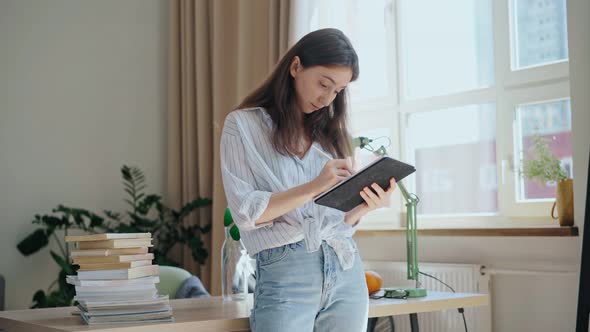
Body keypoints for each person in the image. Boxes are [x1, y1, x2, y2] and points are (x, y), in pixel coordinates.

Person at [220, 28, 397, 332]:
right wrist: (315, 185)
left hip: (345, 271)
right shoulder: (242, 126)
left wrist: (363, 207)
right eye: (323, 84)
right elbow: (247, 213)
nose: (327, 98)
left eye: (338, 91)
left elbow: (336, 221)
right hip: (286, 272)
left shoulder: (330, 136)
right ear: (296, 66)